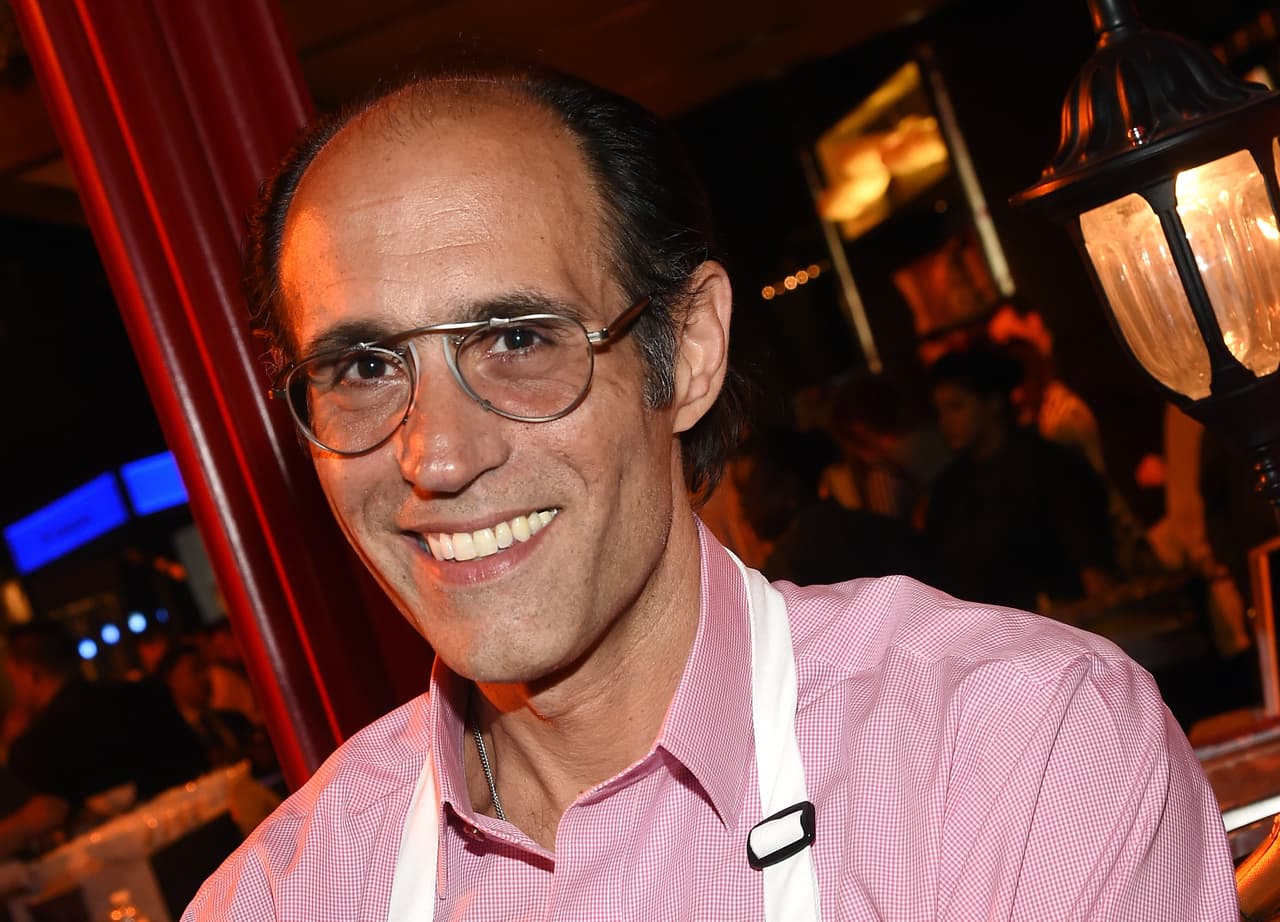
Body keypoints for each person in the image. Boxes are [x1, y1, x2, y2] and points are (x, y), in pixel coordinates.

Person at [185, 65, 1238, 918]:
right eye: (364, 366)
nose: (438, 456)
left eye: (517, 340)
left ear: (688, 351)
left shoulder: (1010, 756)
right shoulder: (279, 896)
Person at [0, 621, 209, 858]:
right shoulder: (146, 693)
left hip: (120, 870)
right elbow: (197, 761)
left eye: (13, 678)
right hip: (204, 833)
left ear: (31, 674)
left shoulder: (34, 748)